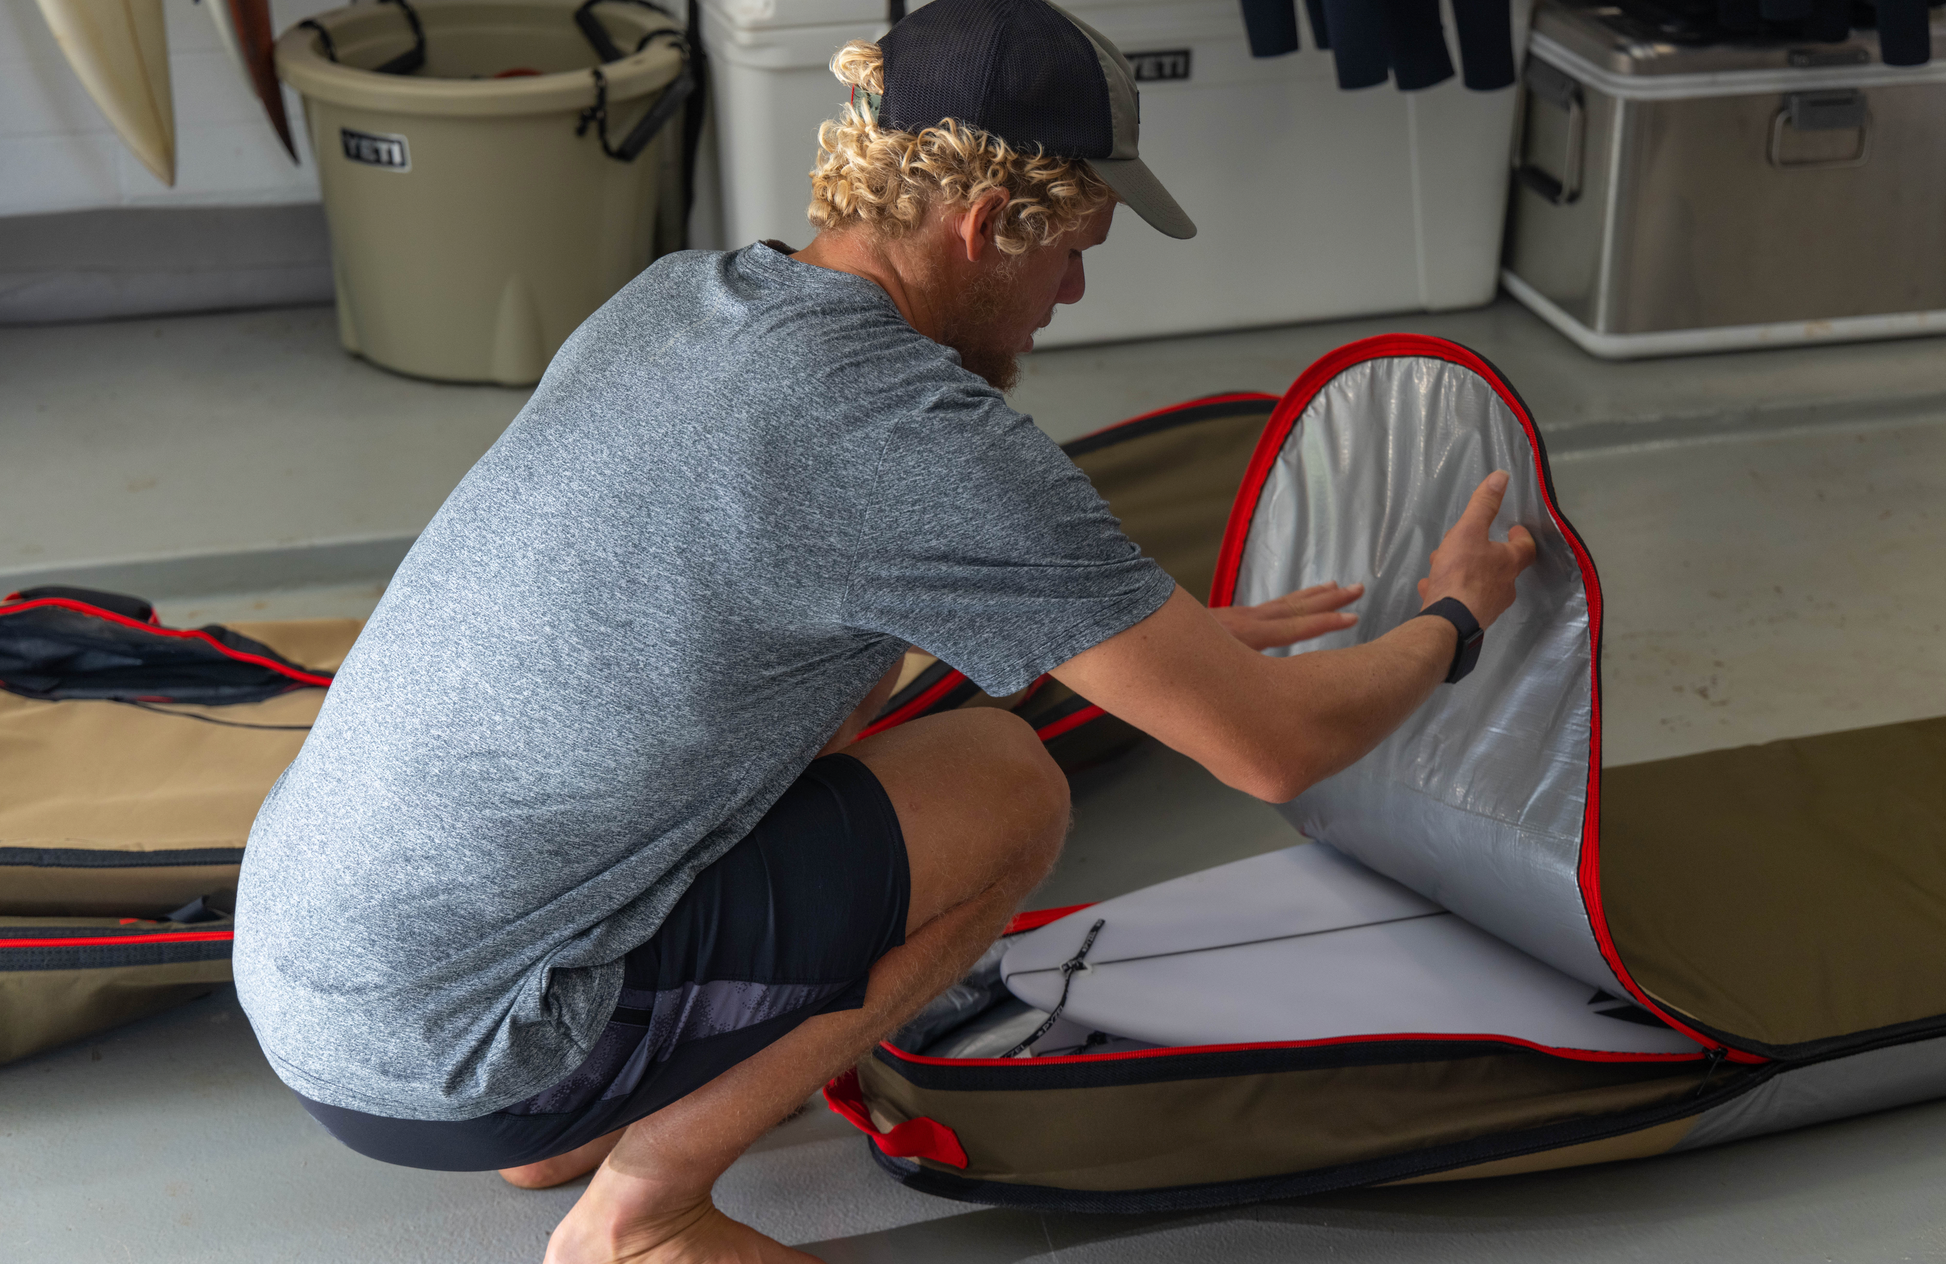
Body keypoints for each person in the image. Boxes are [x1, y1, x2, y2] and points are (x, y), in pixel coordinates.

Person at [232, 0, 1537, 1260]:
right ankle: (645, 1214)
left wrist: (1157, 646)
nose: (1073, 287)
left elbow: (789, 648)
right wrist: (1451, 618)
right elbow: (1277, 753)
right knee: (1002, 787)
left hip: (315, 985)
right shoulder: (906, 437)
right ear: (983, 226)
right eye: (1073, 242)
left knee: (851, 738)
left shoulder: (685, 298)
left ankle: (566, 1129)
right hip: (464, 1052)